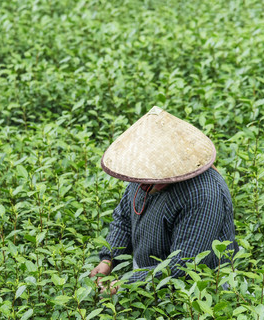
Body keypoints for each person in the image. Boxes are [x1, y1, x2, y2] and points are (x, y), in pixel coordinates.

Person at [90, 106, 238, 294]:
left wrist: (125, 284)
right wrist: (108, 259)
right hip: (148, 277)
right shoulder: (145, 172)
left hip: (199, 290)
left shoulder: (204, 194)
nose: (150, 184)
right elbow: (124, 219)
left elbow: (184, 266)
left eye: (160, 177)